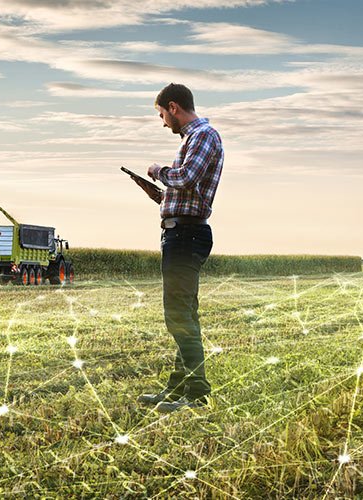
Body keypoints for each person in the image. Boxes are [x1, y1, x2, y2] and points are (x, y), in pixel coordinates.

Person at [136, 83, 223, 413]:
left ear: (173, 107)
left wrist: (157, 171)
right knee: (184, 316)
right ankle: (177, 390)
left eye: (161, 114)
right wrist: (159, 196)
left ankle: (197, 394)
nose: (162, 123)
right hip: (181, 231)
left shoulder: (203, 135)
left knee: (177, 317)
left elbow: (184, 178)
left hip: (186, 236)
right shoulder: (195, 138)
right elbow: (186, 192)